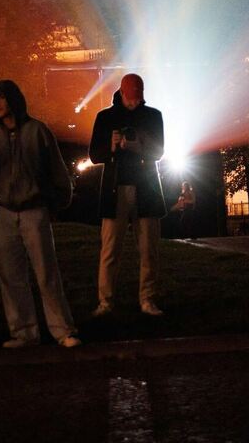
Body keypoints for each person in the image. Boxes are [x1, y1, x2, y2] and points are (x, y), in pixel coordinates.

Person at [0, 79, 81, 348]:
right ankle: (23, 332)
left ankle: (62, 330)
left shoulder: (37, 131)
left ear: (12, 98)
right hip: (4, 211)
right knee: (10, 275)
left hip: (33, 209)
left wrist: (58, 200)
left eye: (0, 98)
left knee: (46, 272)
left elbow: (55, 167)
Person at [88, 73, 167, 317]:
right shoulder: (105, 118)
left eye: (137, 98)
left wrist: (138, 146)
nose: (134, 102)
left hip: (144, 190)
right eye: (131, 97)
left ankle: (146, 299)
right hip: (118, 189)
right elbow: (94, 154)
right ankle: (106, 301)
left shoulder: (153, 116)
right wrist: (112, 147)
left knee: (148, 249)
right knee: (110, 249)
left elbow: (159, 151)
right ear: (122, 93)